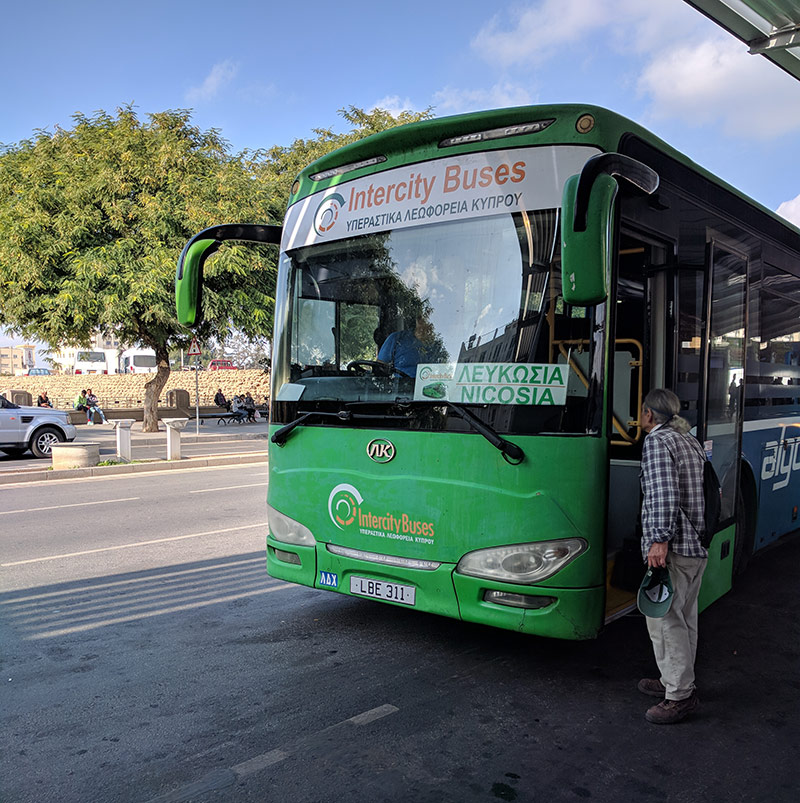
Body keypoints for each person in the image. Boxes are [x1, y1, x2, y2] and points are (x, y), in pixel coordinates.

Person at [638, 388, 707, 725]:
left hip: (675, 549)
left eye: (641, 410)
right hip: (695, 546)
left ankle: (678, 696)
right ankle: (676, 681)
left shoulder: (657, 442)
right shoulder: (688, 439)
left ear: (650, 414)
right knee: (685, 618)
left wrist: (659, 542)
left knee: (665, 620)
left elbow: (664, 495)